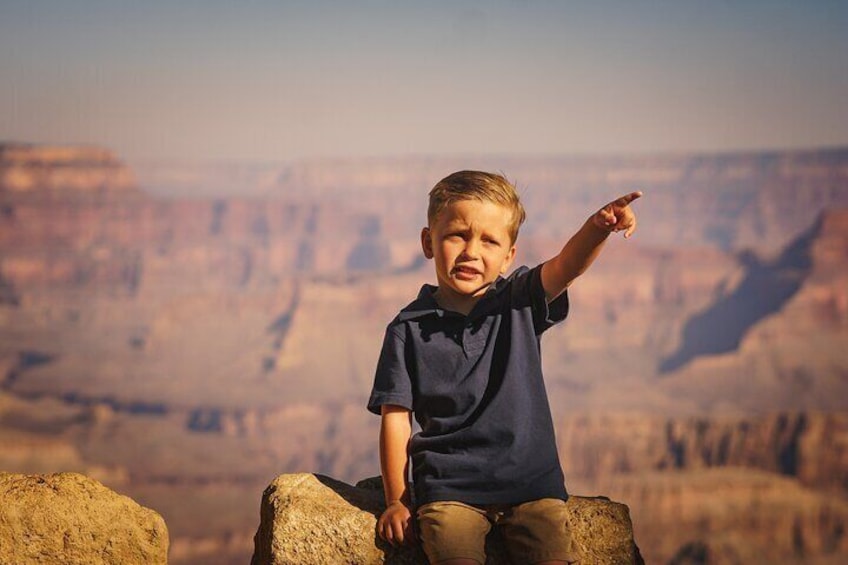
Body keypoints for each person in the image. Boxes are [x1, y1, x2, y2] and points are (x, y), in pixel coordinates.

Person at [367, 170, 641, 565]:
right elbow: (395, 419)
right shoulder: (407, 329)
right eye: (457, 235)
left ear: (509, 256)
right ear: (428, 242)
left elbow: (568, 266)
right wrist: (397, 500)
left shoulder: (520, 300)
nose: (471, 252)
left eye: (490, 241)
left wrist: (599, 228)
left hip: (532, 487)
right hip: (449, 491)